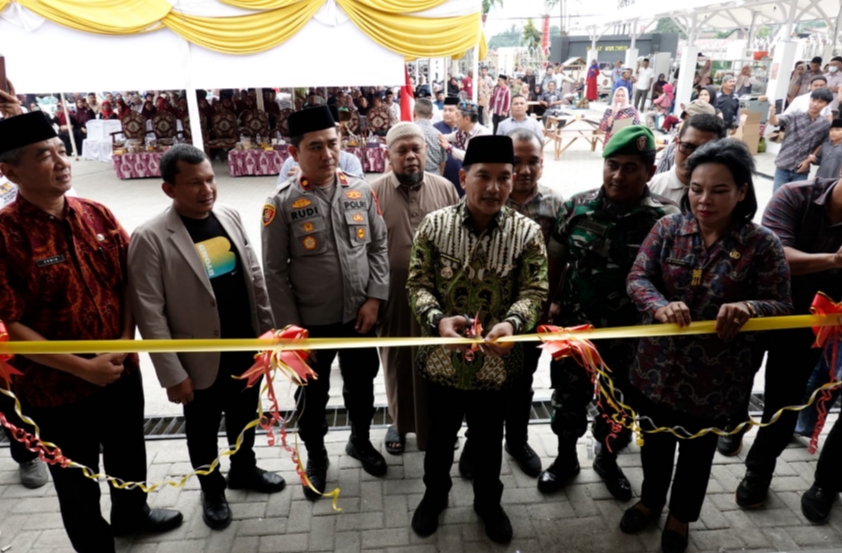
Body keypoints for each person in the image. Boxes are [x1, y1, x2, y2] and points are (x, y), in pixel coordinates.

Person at [0, 108, 183, 551]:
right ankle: (95, 544)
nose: (62, 162)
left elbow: (130, 284)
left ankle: (131, 514)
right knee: (74, 475)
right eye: (44, 155)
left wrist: (123, 345)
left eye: (63, 151)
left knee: (127, 451)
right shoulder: (6, 234)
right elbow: (11, 322)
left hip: (119, 370)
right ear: (9, 171)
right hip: (55, 387)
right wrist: (83, 368)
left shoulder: (96, 213)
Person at [622, 138, 792, 553]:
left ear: (741, 192)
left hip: (715, 380)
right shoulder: (668, 228)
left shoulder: (761, 244)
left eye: (719, 191)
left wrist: (749, 306)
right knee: (655, 443)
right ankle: (649, 501)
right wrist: (660, 305)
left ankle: (680, 518)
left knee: (697, 455)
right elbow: (638, 279)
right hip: (656, 371)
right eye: (697, 189)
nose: (704, 200)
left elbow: (782, 304)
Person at [128, 145, 285, 531]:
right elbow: (149, 312)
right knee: (201, 430)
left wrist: (266, 337)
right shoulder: (150, 238)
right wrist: (171, 373)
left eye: (210, 179)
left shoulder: (228, 216)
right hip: (197, 362)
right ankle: (211, 490)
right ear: (169, 189)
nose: (207, 189)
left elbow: (255, 280)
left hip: (244, 349)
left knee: (245, 417)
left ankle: (243, 471)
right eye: (194, 182)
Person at [407, 135, 548, 543]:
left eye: (504, 177)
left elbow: (535, 292)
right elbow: (417, 284)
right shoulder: (434, 226)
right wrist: (437, 321)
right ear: (463, 176)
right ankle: (434, 497)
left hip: (497, 367)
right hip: (441, 363)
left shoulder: (527, 233)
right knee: (438, 441)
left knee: (488, 443)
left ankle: (489, 503)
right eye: (483, 176)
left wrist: (513, 325)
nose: (494, 187)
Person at [538, 126, 680, 500]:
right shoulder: (577, 206)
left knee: (618, 407)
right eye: (612, 165)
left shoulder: (666, 217)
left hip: (631, 336)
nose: (618, 175)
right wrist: (549, 307)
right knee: (567, 402)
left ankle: (608, 460)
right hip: (576, 329)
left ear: (649, 171)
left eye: (630, 167)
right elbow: (556, 261)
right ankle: (565, 460)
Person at [262, 106, 389, 499]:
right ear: (293, 153)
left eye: (333, 144)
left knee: (362, 388)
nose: (328, 154)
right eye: (315, 147)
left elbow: (379, 245)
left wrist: (374, 299)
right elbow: (274, 272)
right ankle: (316, 456)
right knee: (312, 399)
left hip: (359, 317)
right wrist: (293, 332)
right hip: (310, 325)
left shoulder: (360, 190)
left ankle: (360, 441)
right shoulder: (281, 203)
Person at [730, 166, 842, 507]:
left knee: (785, 400)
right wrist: (835, 260)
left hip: (811, 323)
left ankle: (759, 469)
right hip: (758, 308)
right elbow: (779, 255)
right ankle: (733, 426)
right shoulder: (795, 195)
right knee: (736, 378)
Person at [371, 123, 459, 455]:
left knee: (439, 360)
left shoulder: (446, 188)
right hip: (393, 297)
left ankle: (440, 422)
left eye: (416, 149)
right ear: (389, 155)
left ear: (426, 151)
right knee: (397, 362)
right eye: (402, 151)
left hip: (440, 299)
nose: (410, 157)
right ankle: (400, 421)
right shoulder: (372, 192)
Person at [501, 129, 564, 476]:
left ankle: (517, 440)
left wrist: (553, 304)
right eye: (516, 161)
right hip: (491, 312)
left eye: (533, 161)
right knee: (483, 380)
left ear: (542, 163)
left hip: (534, 313)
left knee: (523, 380)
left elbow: (565, 261)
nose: (524, 170)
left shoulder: (556, 204)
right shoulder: (491, 198)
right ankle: (478, 440)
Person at [649, 114, 727, 204]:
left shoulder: (726, 200)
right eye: (688, 147)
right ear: (676, 144)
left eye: (704, 150)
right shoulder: (650, 188)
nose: (693, 157)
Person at [769, 88, 833, 191]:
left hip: (801, 169)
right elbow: (776, 121)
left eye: (820, 102)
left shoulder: (825, 124)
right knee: (778, 198)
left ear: (827, 104)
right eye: (813, 100)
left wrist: (808, 160)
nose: (815, 104)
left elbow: (821, 143)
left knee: (796, 201)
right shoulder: (795, 115)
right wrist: (772, 114)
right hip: (784, 165)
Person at [434, 96, 463, 195]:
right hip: (442, 178)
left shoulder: (466, 128)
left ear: (458, 112)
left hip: (463, 179)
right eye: (445, 110)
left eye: (451, 110)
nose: (447, 113)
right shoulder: (435, 129)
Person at [413, 98, 448, 176]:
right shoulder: (438, 134)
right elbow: (442, 163)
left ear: (414, 113)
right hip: (435, 179)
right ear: (431, 116)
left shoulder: (409, 132)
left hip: (414, 179)